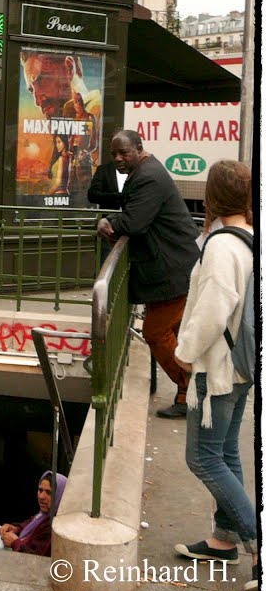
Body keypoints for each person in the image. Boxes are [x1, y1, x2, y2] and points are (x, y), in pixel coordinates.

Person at [173, 160, 258, 591]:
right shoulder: (249, 238)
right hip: (241, 366)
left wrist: (184, 353)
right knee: (226, 452)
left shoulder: (223, 247)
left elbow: (212, 311)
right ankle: (224, 540)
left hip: (219, 368)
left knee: (203, 458)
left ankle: (258, 546)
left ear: (213, 196)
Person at [96, 130, 200, 418]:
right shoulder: (146, 172)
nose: (118, 158)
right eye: (114, 153)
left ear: (139, 149)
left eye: (124, 152)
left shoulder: (148, 176)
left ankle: (189, 390)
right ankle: (188, 393)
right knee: (174, 333)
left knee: (155, 332)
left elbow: (135, 221)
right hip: (173, 267)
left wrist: (108, 223)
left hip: (172, 270)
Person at [0, 471, 68, 556]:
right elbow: (31, 524)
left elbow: (37, 559)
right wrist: (16, 529)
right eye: (40, 490)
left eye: (49, 493)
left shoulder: (55, 526)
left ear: (59, 495)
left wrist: (15, 543)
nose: (42, 496)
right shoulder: (43, 515)